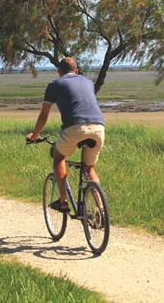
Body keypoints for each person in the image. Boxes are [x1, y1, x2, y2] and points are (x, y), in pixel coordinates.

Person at [27, 57, 105, 213]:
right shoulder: (88, 82)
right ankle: (101, 209)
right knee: (89, 168)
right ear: (76, 71)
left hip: (75, 127)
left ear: (59, 72)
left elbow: (44, 116)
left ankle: (63, 201)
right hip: (99, 128)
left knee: (59, 158)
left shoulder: (55, 85)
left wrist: (34, 135)